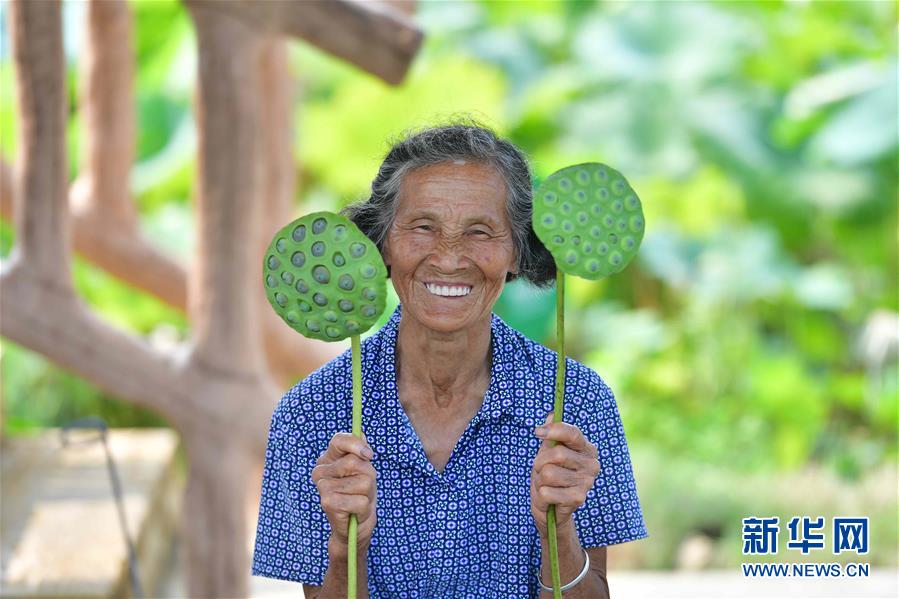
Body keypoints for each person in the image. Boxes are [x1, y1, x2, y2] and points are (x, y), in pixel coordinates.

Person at [252, 122, 648, 598]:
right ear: (383, 246)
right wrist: (344, 546)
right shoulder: (312, 415)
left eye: (480, 232)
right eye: (423, 227)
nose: (449, 257)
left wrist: (558, 530)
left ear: (517, 253)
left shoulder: (577, 405)